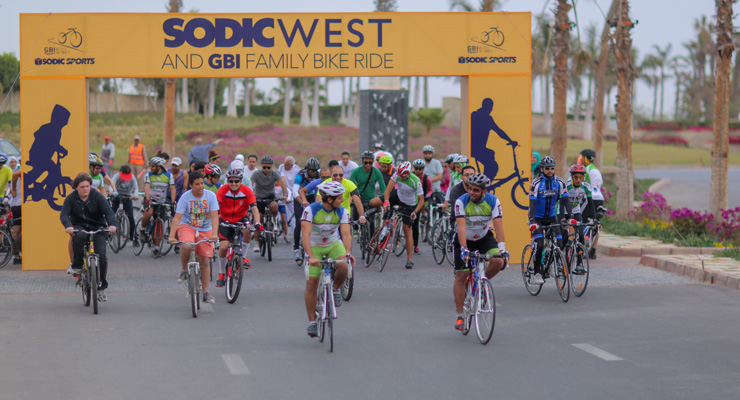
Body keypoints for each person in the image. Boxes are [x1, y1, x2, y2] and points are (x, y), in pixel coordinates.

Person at [453, 173, 508, 331]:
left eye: (476, 190)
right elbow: (461, 227)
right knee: (461, 276)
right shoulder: (461, 201)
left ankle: (481, 282)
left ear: (484, 191)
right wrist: (464, 249)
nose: (471, 192)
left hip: (484, 237)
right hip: (465, 239)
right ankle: (460, 316)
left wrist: (502, 249)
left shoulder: (493, 201)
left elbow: (499, 226)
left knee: (498, 261)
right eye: (470, 188)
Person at [302, 180, 354, 338]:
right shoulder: (311, 210)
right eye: (339, 198)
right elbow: (305, 235)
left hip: (332, 244)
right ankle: (312, 321)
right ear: (329, 199)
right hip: (314, 245)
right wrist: (311, 257)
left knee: (344, 265)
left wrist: (348, 252)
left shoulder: (342, 211)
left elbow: (346, 234)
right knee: (312, 282)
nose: (342, 200)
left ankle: (335, 289)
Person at [60, 173, 117, 302]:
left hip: (98, 227)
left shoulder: (97, 197)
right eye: (82, 187)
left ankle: (101, 287)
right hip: (80, 226)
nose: (85, 189)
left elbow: (108, 212)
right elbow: (64, 214)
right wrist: (68, 226)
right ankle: (77, 266)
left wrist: (112, 225)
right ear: (76, 188)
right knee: (78, 237)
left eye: (87, 186)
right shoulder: (71, 198)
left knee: (101, 255)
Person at [169, 171, 220, 304]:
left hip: (205, 228)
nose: (201, 186)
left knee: (205, 261)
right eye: (197, 184)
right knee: (186, 246)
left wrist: (214, 234)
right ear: (191, 185)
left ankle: (206, 292)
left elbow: (214, 217)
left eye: (202, 183)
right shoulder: (185, 197)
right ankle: (184, 270)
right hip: (188, 226)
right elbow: (177, 218)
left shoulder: (210, 196)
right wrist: (171, 236)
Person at [528, 156, 575, 285]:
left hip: (552, 217)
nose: (550, 171)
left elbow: (566, 201)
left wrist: (571, 217)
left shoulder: (560, 182)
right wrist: (532, 221)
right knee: (540, 244)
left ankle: (550, 265)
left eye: (552, 168)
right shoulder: (536, 183)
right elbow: (532, 204)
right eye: (547, 168)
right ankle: (537, 273)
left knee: (560, 244)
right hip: (537, 218)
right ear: (542, 169)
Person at [215, 167, 261, 287]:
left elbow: (254, 208)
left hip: (241, 219)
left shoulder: (247, 190)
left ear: (241, 181)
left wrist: (257, 223)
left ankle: (243, 257)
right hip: (225, 220)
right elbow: (215, 208)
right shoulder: (222, 190)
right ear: (227, 181)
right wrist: (214, 221)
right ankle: (221, 273)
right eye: (231, 181)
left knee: (248, 231)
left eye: (236, 181)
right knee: (223, 247)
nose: (234, 184)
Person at [383, 161, 424, 269]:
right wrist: (386, 202)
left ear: (408, 173)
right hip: (398, 197)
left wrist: (415, 212)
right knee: (375, 202)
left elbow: (421, 200)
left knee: (407, 231)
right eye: (400, 175)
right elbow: (388, 190)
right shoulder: (397, 174)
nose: (401, 177)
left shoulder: (416, 181)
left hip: (410, 205)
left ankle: (409, 259)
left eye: (403, 176)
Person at [470, 98, 517, 179]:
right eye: (490, 107)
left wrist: (510, 140)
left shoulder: (474, 115)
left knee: (491, 154)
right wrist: (511, 141)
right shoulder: (487, 119)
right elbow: (499, 131)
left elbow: (499, 132)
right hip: (476, 149)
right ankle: (485, 183)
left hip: (474, 148)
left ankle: (484, 180)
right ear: (490, 108)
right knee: (493, 166)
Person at [560, 164, 595, 274]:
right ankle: (560, 260)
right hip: (563, 212)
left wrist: (595, 219)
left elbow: (591, 204)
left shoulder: (586, 186)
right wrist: (562, 219)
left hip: (575, 212)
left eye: (581, 177)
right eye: (576, 177)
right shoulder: (566, 186)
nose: (578, 180)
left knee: (580, 235)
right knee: (564, 239)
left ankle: (579, 263)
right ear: (571, 177)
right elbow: (561, 204)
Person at [250, 156, 288, 252]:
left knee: (275, 206)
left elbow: (282, 184)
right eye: (264, 167)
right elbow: (250, 185)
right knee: (258, 219)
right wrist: (250, 196)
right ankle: (257, 243)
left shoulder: (275, 173)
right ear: (261, 166)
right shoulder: (256, 174)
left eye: (268, 167)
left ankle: (273, 220)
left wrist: (285, 195)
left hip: (270, 196)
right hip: (259, 198)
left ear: (271, 167)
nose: (266, 169)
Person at [140, 157, 176, 254]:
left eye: (153, 166)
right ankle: (143, 230)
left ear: (159, 167)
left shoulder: (168, 175)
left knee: (159, 224)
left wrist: (173, 201)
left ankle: (156, 247)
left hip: (162, 201)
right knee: (149, 212)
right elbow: (147, 187)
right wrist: (148, 199)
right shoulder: (149, 174)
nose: (151, 168)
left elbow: (172, 189)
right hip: (150, 199)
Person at [349, 150, 386, 236]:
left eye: (370, 163)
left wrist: (384, 200)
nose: (368, 165)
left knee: (371, 220)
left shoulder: (376, 172)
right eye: (366, 163)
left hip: (371, 199)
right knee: (356, 209)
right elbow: (349, 184)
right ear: (362, 162)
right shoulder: (356, 171)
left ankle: (371, 239)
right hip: (359, 198)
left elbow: (383, 188)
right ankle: (355, 228)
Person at [292, 157, 322, 261]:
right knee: (299, 222)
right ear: (307, 169)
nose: (313, 173)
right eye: (311, 171)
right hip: (300, 197)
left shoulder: (319, 174)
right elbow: (295, 191)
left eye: (315, 171)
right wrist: (301, 202)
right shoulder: (300, 175)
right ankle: (296, 248)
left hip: (312, 196)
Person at [579, 149, 605, 259]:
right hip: (600, 198)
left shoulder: (587, 170)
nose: (580, 159)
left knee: (579, 219)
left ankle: (581, 247)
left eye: (582, 157)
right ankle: (593, 251)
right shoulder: (596, 170)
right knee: (596, 224)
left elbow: (583, 184)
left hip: (590, 198)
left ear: (586, 158)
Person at [110, 165, 139, 244]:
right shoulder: (116, 176)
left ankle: (132, 235)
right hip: (117, 196)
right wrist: (111, 191)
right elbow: (112, 184)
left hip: (127, 197)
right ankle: (108, 234)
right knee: (111, 214)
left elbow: (136, 188)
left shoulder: (132, 177)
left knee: (130, 217)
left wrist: (135, 195)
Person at [412, 158, 433, 255]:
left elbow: (430, 190)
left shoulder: (426, 179)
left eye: (420, 169)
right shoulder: (410, 176)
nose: (417, 170)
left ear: (423, 169)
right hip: (410, 200)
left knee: (415, 225)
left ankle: (415, 246)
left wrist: (427, 195)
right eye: (416, 168)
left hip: (420, 200)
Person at [9, 168, 22, 264]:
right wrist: (13, 189)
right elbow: (15, 174)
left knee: (16, 231)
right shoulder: (23, 170)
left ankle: (16, 256)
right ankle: (20, 254)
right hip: (21, 204)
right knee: (21, 231)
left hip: (15, 204)